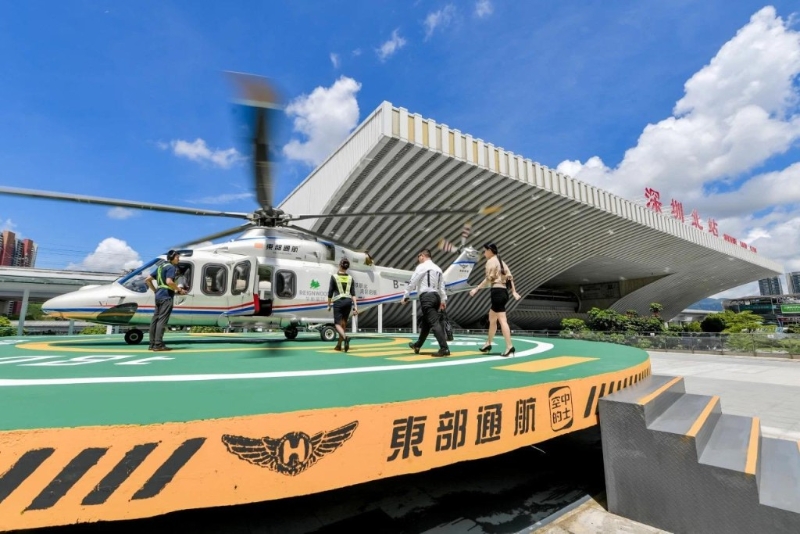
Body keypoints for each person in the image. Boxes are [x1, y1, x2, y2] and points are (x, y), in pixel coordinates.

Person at [468, 242, 521, 357]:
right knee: (492, 318)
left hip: (497, 292)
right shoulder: (501, 261)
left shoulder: (491, 262)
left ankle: (509, 346)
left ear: (490, 251)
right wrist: (513, 292)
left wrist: (476, 289)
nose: (484, 253)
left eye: (485, 251)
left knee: (502, 320)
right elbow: (510, 278)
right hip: (503, 293)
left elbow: (488, 279)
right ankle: (488, 343)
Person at [401, 248, 450, 357]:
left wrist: (405, 296)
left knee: (433, 322)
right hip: (436, 297)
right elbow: (442, 286)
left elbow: (413, 281)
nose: (418, 258)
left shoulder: (422, 267)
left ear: (423, 256)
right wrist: (443, 300)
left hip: (427, 297)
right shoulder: (438, 269)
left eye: (419, 256)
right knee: (426, 323)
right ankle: (417, 345)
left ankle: (444, 348)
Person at [144, 250, 186, 351]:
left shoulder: (160, 267)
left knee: (155, 320)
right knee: (162, 321)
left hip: (158, 296)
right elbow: (169, 281)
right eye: (177, 257)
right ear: (172, 258)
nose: (178, 259)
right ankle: (158, 344)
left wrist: (155, 290)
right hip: (166, 296)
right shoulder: (171, 267)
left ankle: (152, 344)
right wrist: (179, 289)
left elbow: (147, 279)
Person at [327, 258, 358, 352]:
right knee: (343, 324)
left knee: (337, 324)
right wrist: (355, 307)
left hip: (338, 302)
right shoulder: (350, 278)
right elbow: (353, 294)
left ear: (340, 265)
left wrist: (328, 305)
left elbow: (330, 292)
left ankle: (345, 338)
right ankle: (339, 345)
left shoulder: (334, 277)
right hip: (348, 302)